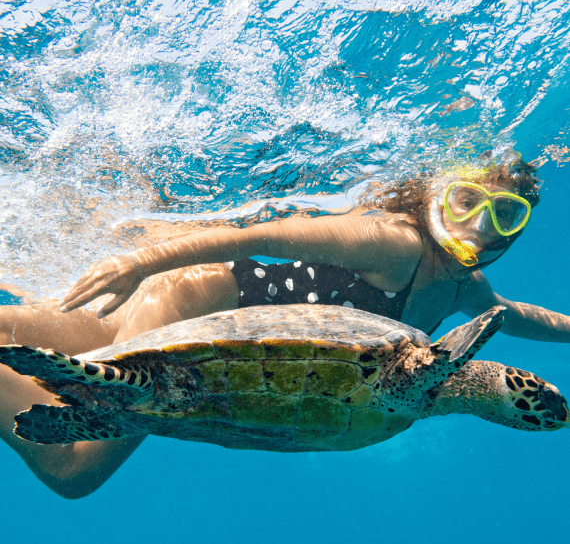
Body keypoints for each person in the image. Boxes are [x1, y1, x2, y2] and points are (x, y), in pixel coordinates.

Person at [2, 149, 570, 498]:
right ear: (435, 198)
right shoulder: (394, 243)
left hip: (195, 318)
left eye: (505, 216)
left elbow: (518, 318)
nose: (479, 224)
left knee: (22, 333)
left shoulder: (466, 288)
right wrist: (140, 260)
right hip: (191, 305)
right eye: (466, 200)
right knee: (74, 470)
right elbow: (257, 235)